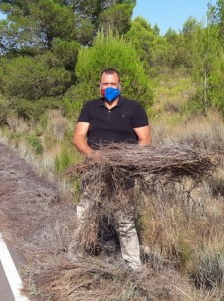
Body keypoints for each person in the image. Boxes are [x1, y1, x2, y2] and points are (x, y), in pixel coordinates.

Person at [72, 68, 151, 270]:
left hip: (122, 172)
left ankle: (133, 264)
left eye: (112, 84)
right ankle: (77, 256)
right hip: (95, 170)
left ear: (119, 86)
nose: (109, 88)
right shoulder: (90, 108)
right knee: (85, 213)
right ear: (99, 87)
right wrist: (93, 155)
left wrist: (123, 159)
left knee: (124, 218)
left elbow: (145, 140)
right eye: (105, 84)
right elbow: (78, 137)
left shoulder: (133, 108)